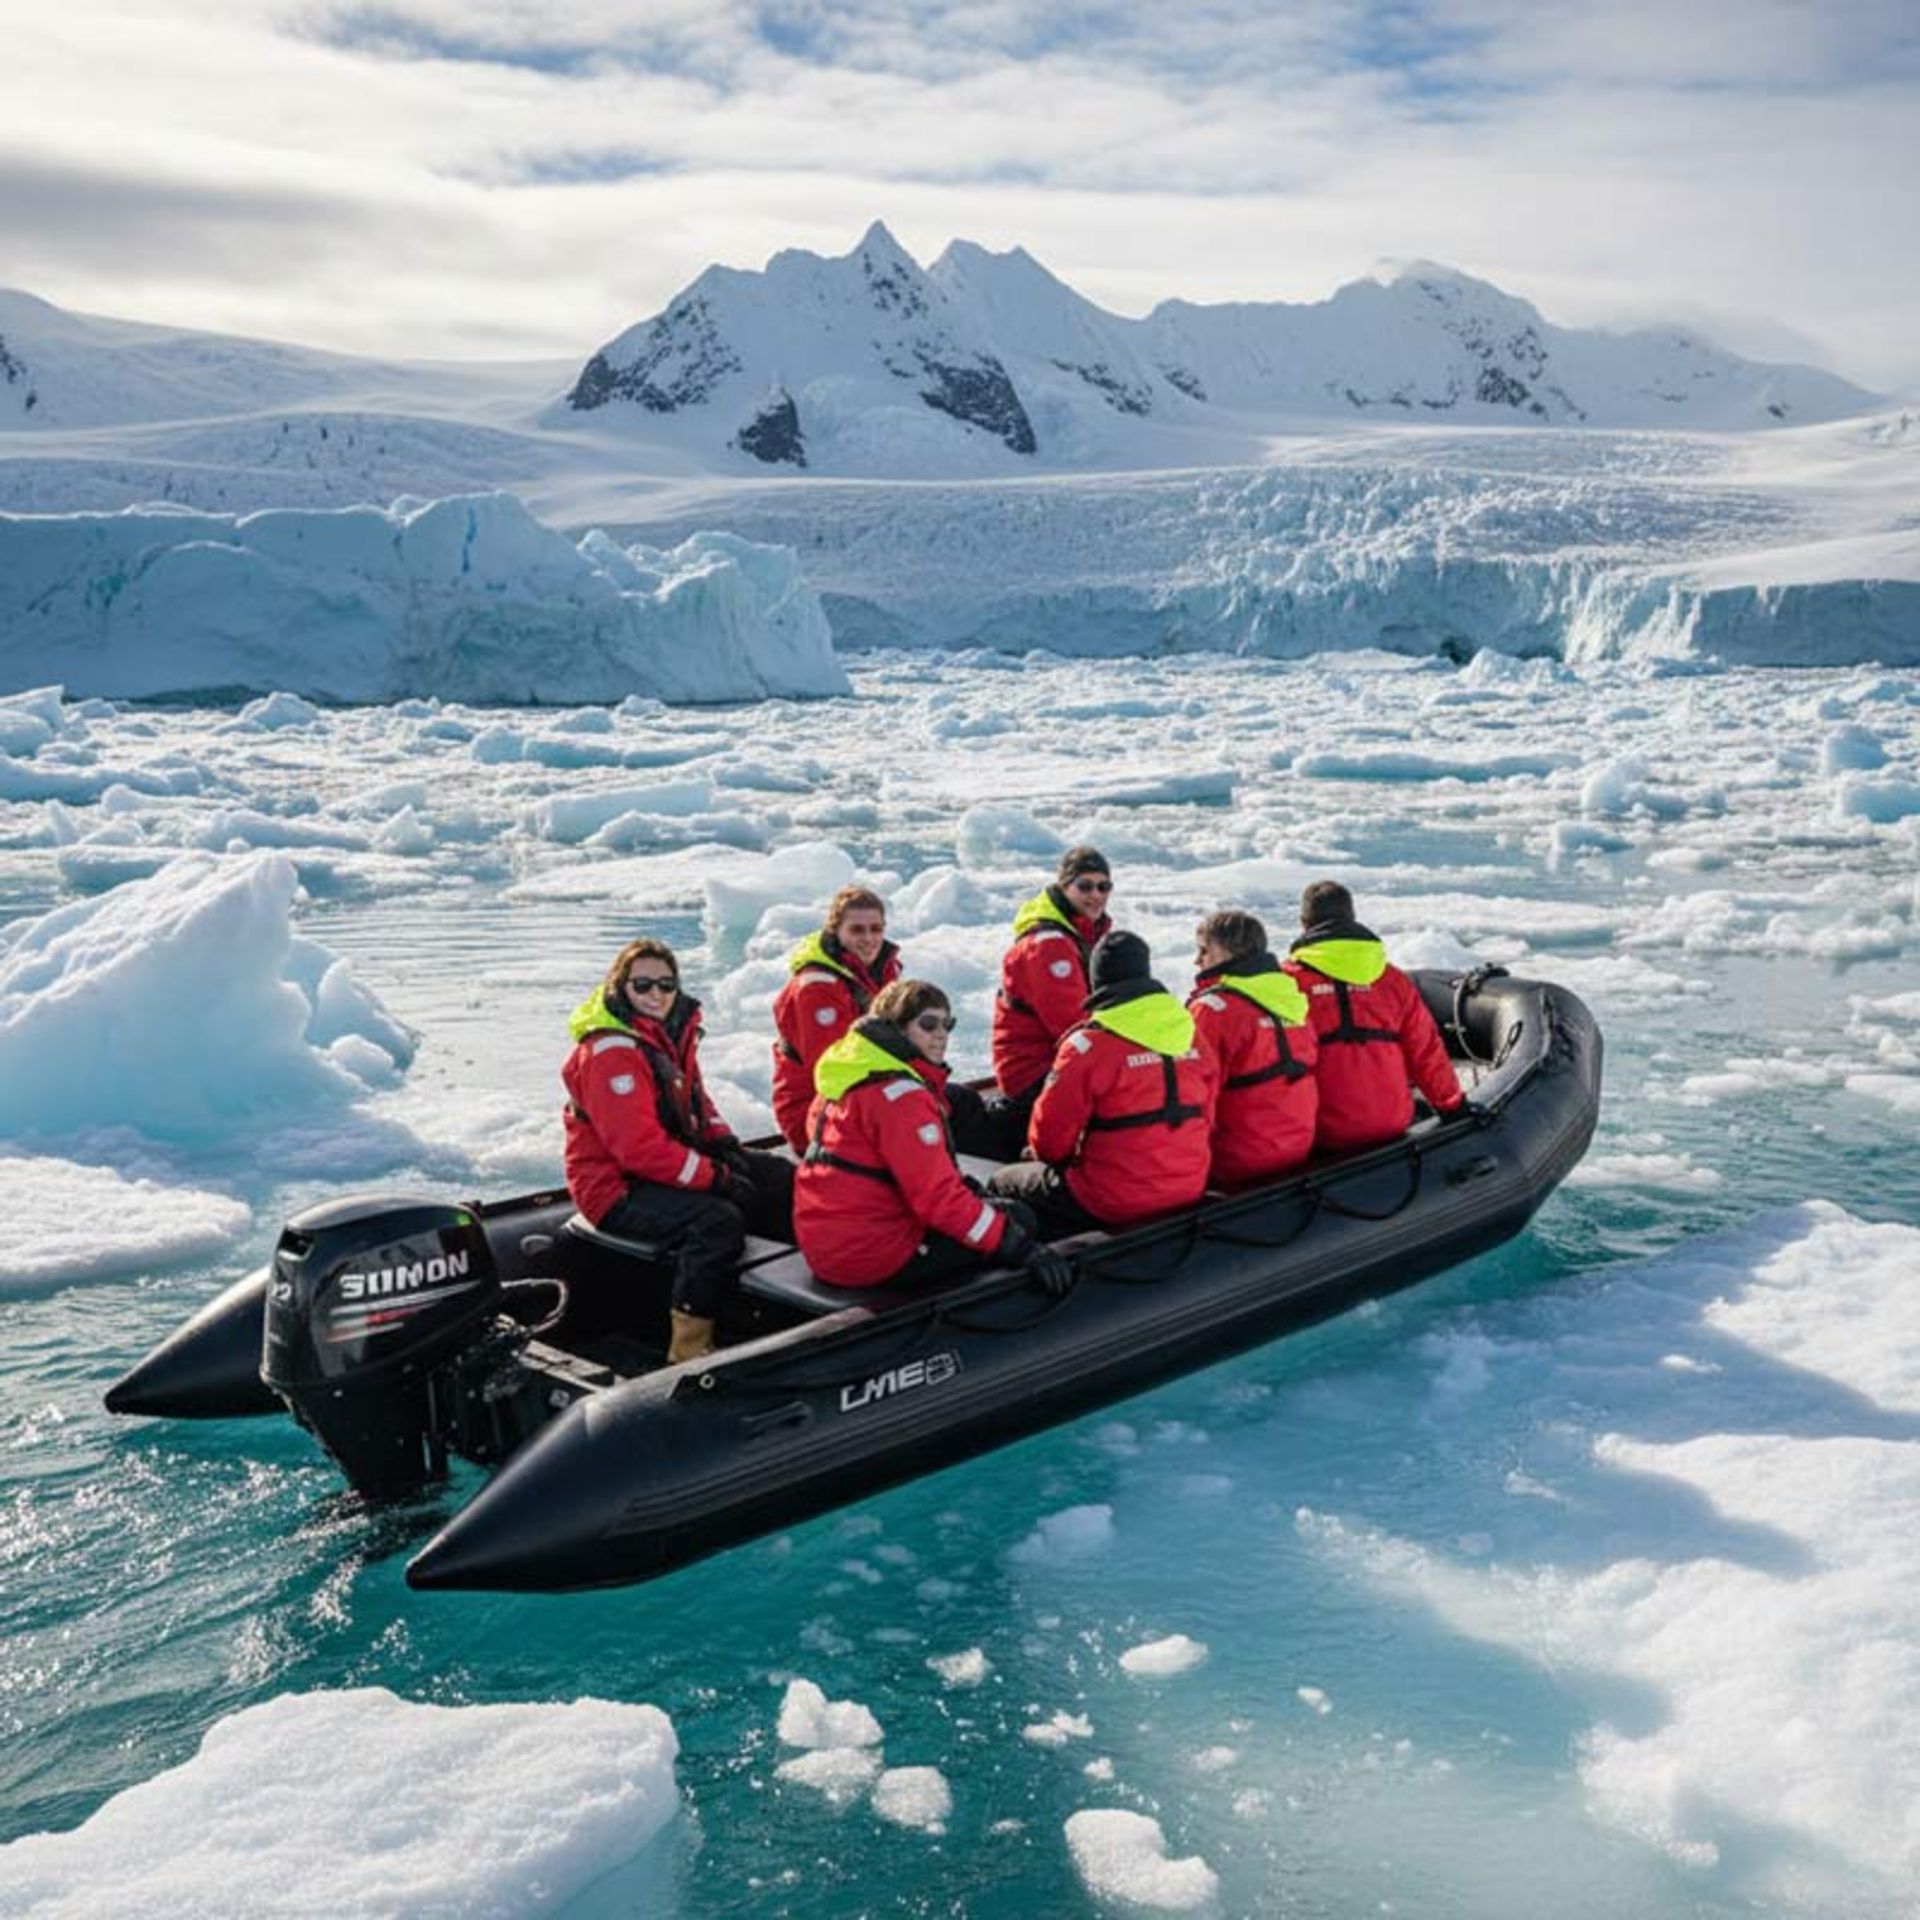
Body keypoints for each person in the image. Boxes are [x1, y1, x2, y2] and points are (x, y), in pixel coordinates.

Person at [563, 938, 795, 1364]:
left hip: (661, 1168)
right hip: (615, 1188)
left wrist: (725, 1146)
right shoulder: (611, 1054)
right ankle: (689, 1346)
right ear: (620, 987)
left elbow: (697, 1102)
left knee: (776, 1175)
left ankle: (800, 1303)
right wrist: (715, 1177)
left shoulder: (669, 1032)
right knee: (716, 1221)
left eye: (665, 984)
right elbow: (639, 1149)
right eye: (643, 984)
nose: (656, 994)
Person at [794, 979, 1073, 1294]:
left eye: (947, 1024)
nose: (941, 1034)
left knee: (985, 1206)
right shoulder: (901, 1099)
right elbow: (937, 1200)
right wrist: (1019, 1246)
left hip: (828, 1248)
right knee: (1020, 1218)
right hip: (875, 1256)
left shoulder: (846, 1082)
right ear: (897, 1028)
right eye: (928, 1024)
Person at [989, 931, 1214, 1235]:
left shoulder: (1086, 1047)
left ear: (1095, 980)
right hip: (1188, 1186)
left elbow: (1049, 1143)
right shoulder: (1192, 1035)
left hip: (1111, 1201)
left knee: (1002, 1182)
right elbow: (1209, 1116)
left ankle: (1038, 1254)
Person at [1282, 881, 1464, 1154]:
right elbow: (1425, 1050)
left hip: (1320, 1135)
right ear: (1352, 917)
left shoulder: (1286, 984)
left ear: (1304, 924)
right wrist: (1452, 1106)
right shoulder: (1393, 980)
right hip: (1391, 1124)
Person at [1188, 909, 1319, 1186]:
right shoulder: (1293, 1001)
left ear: (1229, 953)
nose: (1197, 961)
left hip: (1239, 1161)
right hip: (1298, 1147)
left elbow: (1195, 1094)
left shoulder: (1213, 1011)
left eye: (1204, 951)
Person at [990, 845, 1115, 1128]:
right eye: (1084, 886)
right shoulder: (1048, 946)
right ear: (1064, 886)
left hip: (1063, 1060)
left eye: (1103, 887)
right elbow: (1071, 1024)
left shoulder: (1083, 934)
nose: (1096, 895)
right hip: (1032, 1073)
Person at [770, 885, 902, 1153]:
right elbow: (833, 1069)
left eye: (876, 929)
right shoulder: (817, 987)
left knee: (954, 1103)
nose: (869, 938)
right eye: (857, 930)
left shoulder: (883, 971)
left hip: (865, 1095)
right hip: (814, 1113)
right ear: (836, 931)